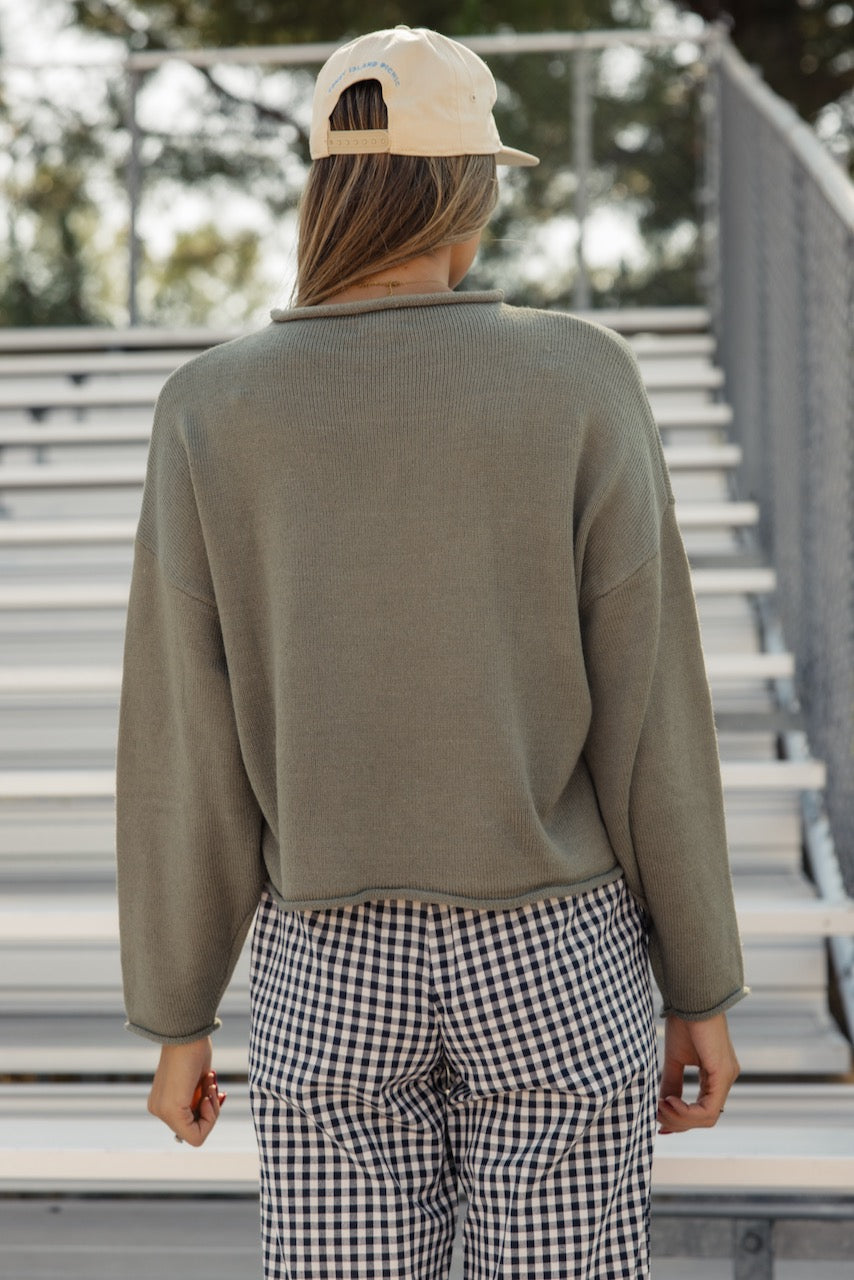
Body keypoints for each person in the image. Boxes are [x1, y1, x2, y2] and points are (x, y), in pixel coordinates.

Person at [116, 24, 748, 1279]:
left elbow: (185, 737)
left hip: (326, 966)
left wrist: (177, 1014)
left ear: (324, 183)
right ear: (469, 184)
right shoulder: (581, 376)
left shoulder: (207, 406)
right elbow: (648, 713)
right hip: (555, 954)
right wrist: (701, 984)